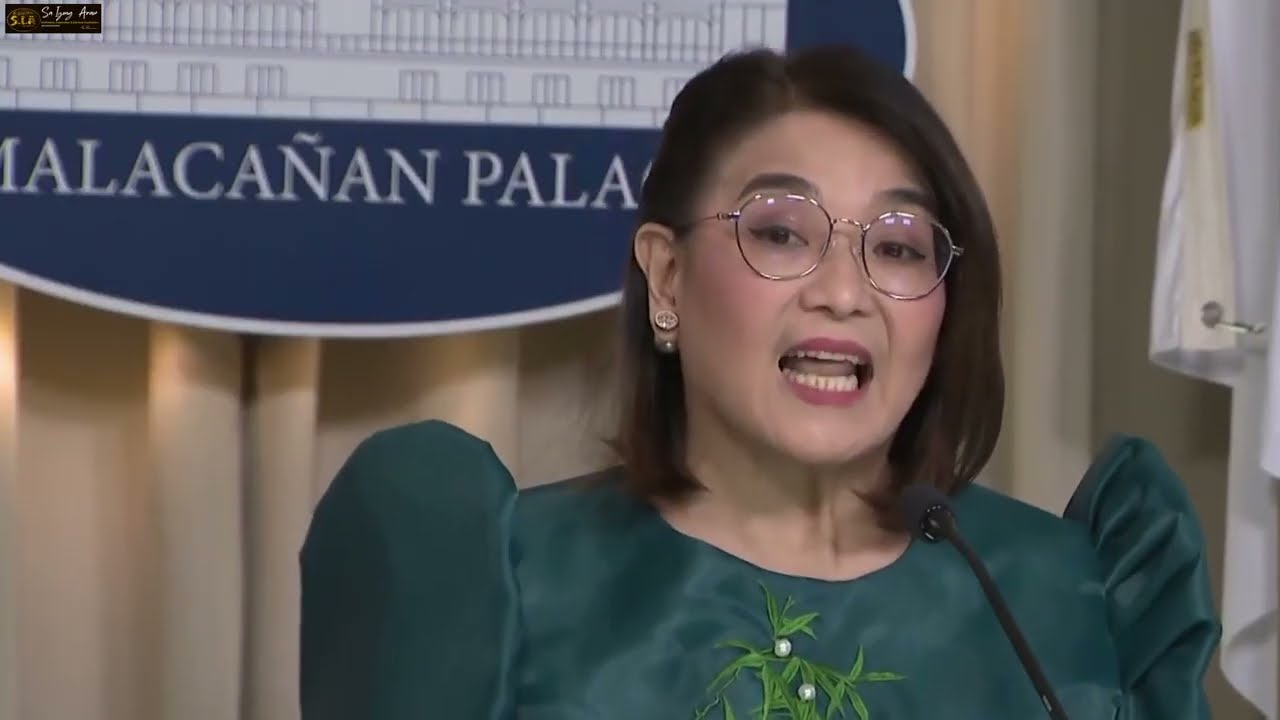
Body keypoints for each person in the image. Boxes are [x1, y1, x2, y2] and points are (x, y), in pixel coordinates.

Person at [298, 45, 1221, 719]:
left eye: (899, 247)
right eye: (781, 232)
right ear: (667, 280)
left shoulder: (1067, 596)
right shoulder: (499, 580)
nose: (845, 292)